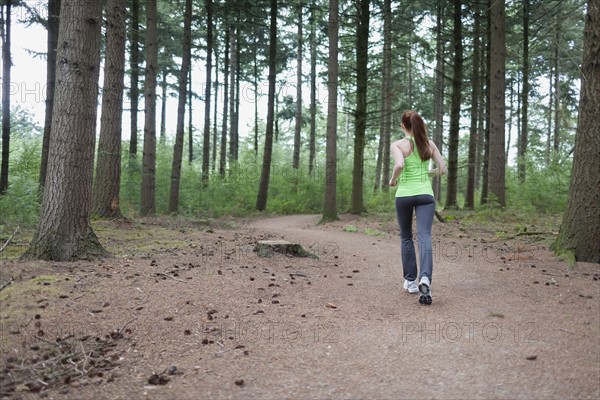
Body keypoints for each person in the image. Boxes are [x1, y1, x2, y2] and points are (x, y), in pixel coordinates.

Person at [389, 110, 447, 305]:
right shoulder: (429, 145)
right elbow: (442, 170)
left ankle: (410, 281)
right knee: (424, 236)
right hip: (425, 196)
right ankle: (425, 278)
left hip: (404, 195)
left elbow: (399, 165)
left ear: (403, 126)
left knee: (406, 236)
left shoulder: (397, 145)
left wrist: (393, 180)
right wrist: (425, 175)